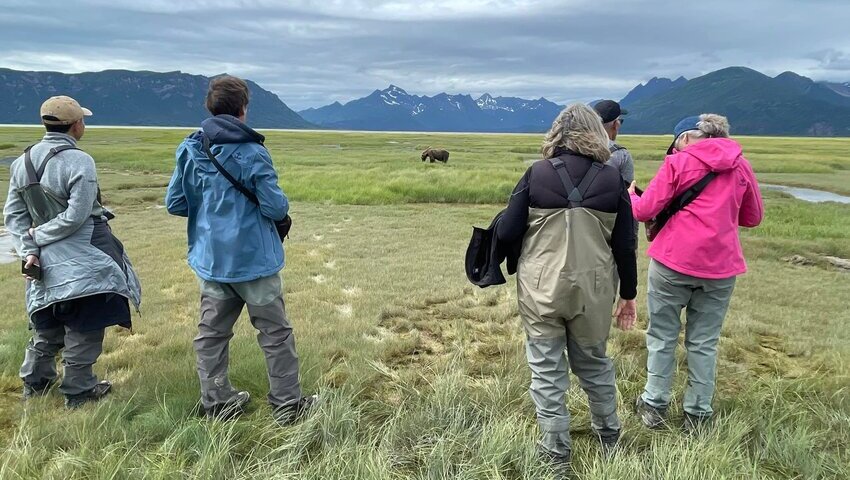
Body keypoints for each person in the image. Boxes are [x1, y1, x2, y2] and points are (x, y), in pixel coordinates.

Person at [165, 75, 316, 423]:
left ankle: (217, 403)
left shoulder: (190, 148)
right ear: (243, 108)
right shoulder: (252, 151)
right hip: (254, 263)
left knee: (211, 335)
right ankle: (287, 407)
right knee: (275, 334)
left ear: (210, 107)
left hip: (212, 261)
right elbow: (275, 208)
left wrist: (209, 213)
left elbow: (175, 203)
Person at [497, 103, 638, 471]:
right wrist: (629, 295)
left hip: (541, 287)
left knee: (546, 368)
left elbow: (508, 232)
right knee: (594, 364)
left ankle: (555, 454)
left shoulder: (537, 174)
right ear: (597, 131)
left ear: (557, 132)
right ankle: (609, 437)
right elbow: (626, 245)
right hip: (594, 290)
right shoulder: (613, 181)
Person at [3, 96, 141, 408]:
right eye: (83, 120)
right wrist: (40, 235)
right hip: (85, 254)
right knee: (86, 322)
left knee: (47, 320)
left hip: (42, 260)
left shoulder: (21, 163)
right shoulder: (81, 161)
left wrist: (31, 249)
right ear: (76, 124)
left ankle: (35, 385)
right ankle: (79, 391)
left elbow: (14, 217)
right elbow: (77, 215)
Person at [628, 114, 764, 432]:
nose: (674, 149)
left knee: (662, 335)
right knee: (704, 342)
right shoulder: (741, 165)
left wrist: (632, 194)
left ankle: (654, 406)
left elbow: (644, 211)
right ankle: (698, 414)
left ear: (686, 138)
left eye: (675, 143)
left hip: (673, 261)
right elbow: (753, 216)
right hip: (720, 267)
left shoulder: (678, 163)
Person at [593, 100, 634, 184]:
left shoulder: (575, 147)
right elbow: (627, 190)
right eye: (620, 121)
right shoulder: (622, 154)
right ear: (616, 124)